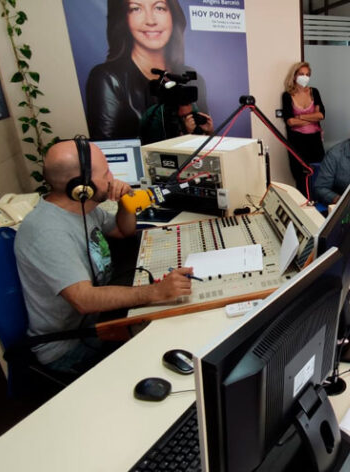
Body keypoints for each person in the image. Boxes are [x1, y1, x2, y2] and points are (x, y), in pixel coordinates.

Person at [14, 140, 194, 375]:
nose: (113, 178)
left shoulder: (83, 208)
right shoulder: (47, 232)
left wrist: (126, 202)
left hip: (98, 324)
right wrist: (155, 292)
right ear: (82, 186)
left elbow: (123, 230)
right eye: (106, 172)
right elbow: (84, 300)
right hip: (69, 349)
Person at [86, 0, 209, 140]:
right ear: (124, 18)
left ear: (173, 15)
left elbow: (204, 137)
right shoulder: (108, 78)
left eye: (159, 8)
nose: (150, 21)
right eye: (136, 9)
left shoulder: (192, 79)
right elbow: (107, 147)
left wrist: (202, 132)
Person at [281, 61, 326, 196]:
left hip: (315, 141)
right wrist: (311, 117)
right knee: (301, 178)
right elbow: (290, 121)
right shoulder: (287, 95)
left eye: (307, 74)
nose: (305, 77)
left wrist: (300, 117)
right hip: (297, 142)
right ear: (294, 75)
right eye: (301, 74)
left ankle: (318, 203)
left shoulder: (314, 92)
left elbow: (321, 115)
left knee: (318, 174)